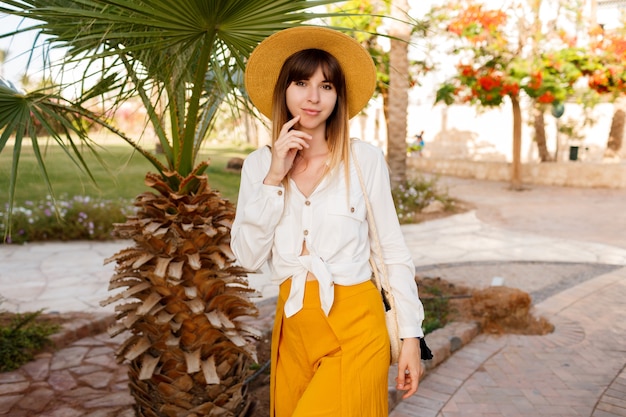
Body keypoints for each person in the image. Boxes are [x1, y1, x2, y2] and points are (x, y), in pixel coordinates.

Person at [231, 26, 425, 417]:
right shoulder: (258, 165)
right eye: (301, 82)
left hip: (356, 324)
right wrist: (273, 177)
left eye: (327, 86)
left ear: (339, 97)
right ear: (284, 89)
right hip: (293, 327)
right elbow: (247, 258)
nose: (313, 97)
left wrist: (411, 338)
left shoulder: (363, 160)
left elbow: (392, 251)